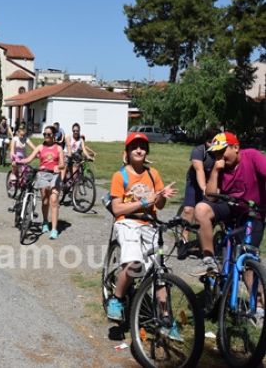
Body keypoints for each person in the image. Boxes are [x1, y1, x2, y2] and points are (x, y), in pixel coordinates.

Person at [105, 132, 178, 322]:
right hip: (127, 222)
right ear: (127, 152)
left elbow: (159, 205)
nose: (139, 150)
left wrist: (161, 196)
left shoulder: (153, 174)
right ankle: (116, 299)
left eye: (143, 147)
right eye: (134, 147)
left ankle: (165, 317)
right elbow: (116, 208)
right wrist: (144, 202)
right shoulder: (119, 176)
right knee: (134, 264)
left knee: (159, 271)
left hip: (149, 224)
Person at [194, 132, 266, 274]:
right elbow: (210, 197)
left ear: (236, 147)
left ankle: (257, 296)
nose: (219, 157)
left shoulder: (252, 156)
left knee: (247, 263)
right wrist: (215, 171)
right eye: (215, 153)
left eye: (222, 151)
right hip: (230, 207)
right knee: (201, 209)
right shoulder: (219, 167)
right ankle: (209, 260)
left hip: (253, 212)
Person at [176, 128, 219, 259]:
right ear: (206, 142)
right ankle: (183, 240)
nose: (213, 145)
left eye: (216, 142)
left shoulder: (221, 152)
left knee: (204, 213)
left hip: (211, 183)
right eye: (210, 142)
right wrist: (204, 189)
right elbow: (199, 171)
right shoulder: (199, 151)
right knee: (189, 210)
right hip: (194, 182)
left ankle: (204, 243)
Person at [19, 126, 65, 239]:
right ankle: (45, 222)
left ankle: (54, 229)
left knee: (53, 201)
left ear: (54, 136)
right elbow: (29, 159)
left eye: (49, 134)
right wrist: (19, 161)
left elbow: (63, 164)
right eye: (45, 134)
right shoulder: (40, 147)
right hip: (42, 175)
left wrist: (57, 167)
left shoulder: (58, 148)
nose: (46, 136)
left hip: (54, 176)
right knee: (45, 201)